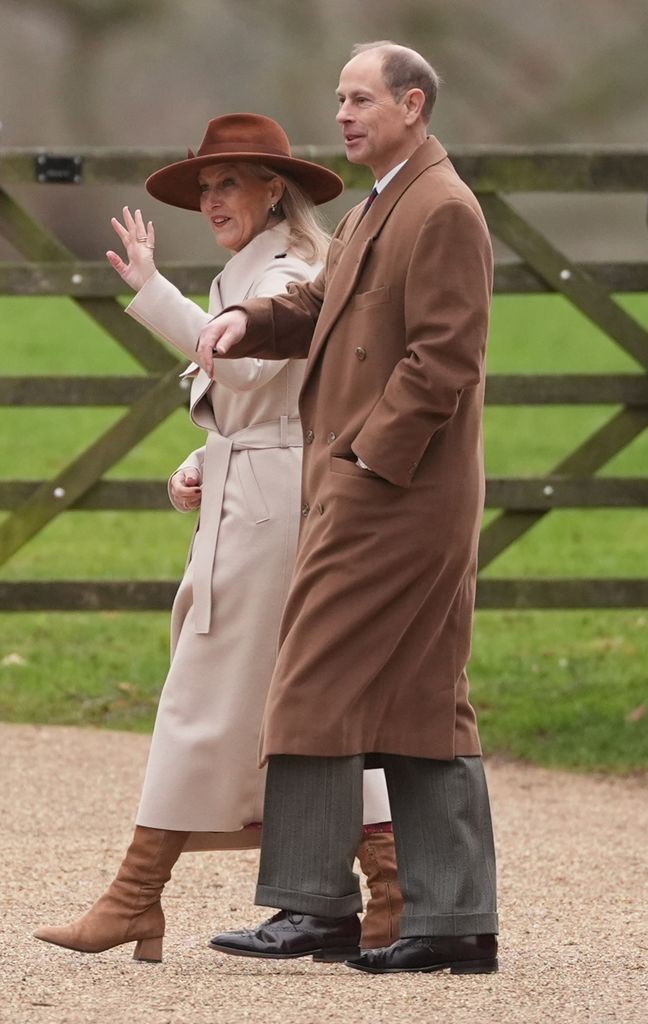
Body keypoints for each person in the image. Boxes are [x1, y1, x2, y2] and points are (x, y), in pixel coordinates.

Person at [34, 113, 402, 963]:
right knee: (298, 703)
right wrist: (203, 457)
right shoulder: (251, 269)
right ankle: (388, 893)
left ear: (275, 188)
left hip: (274, 511)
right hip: (258, 496)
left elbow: (242, 366)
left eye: (226, 182)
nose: (209, 200)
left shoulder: (292, 269)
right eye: (204, 187)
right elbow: (255, 404)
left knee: (216, 698)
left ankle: (136, 898)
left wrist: (155, 293)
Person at [197, 43, 499, 976]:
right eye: (339, 99)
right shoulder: (382, 202)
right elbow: (324, 302)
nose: (345, 114)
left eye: (362, 98)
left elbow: (445, 357)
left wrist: (367, 459)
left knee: (310, 681)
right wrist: (252, 321)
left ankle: (311, 906)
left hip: (393, 490)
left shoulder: (441, 208)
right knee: (422, 701)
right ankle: (456, 926)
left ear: (413, 104)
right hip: (392, 489)